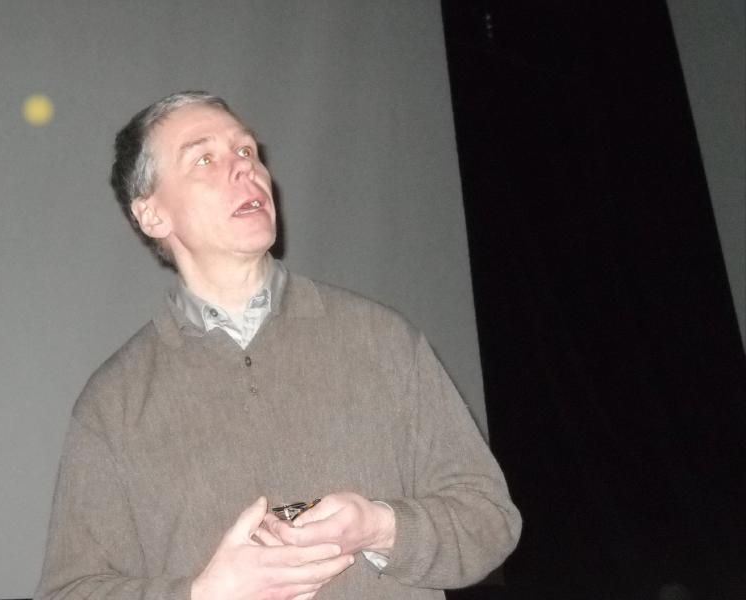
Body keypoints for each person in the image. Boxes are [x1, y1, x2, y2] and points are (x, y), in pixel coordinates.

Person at [34, 91, 521, 600]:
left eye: (246, 151)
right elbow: (70, 592)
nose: (244, 168)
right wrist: (203, 595)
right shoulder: (113, 402)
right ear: (152, 215)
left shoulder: (383, 339)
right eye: (204, 159)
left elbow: (490, 520)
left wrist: (381, 527)